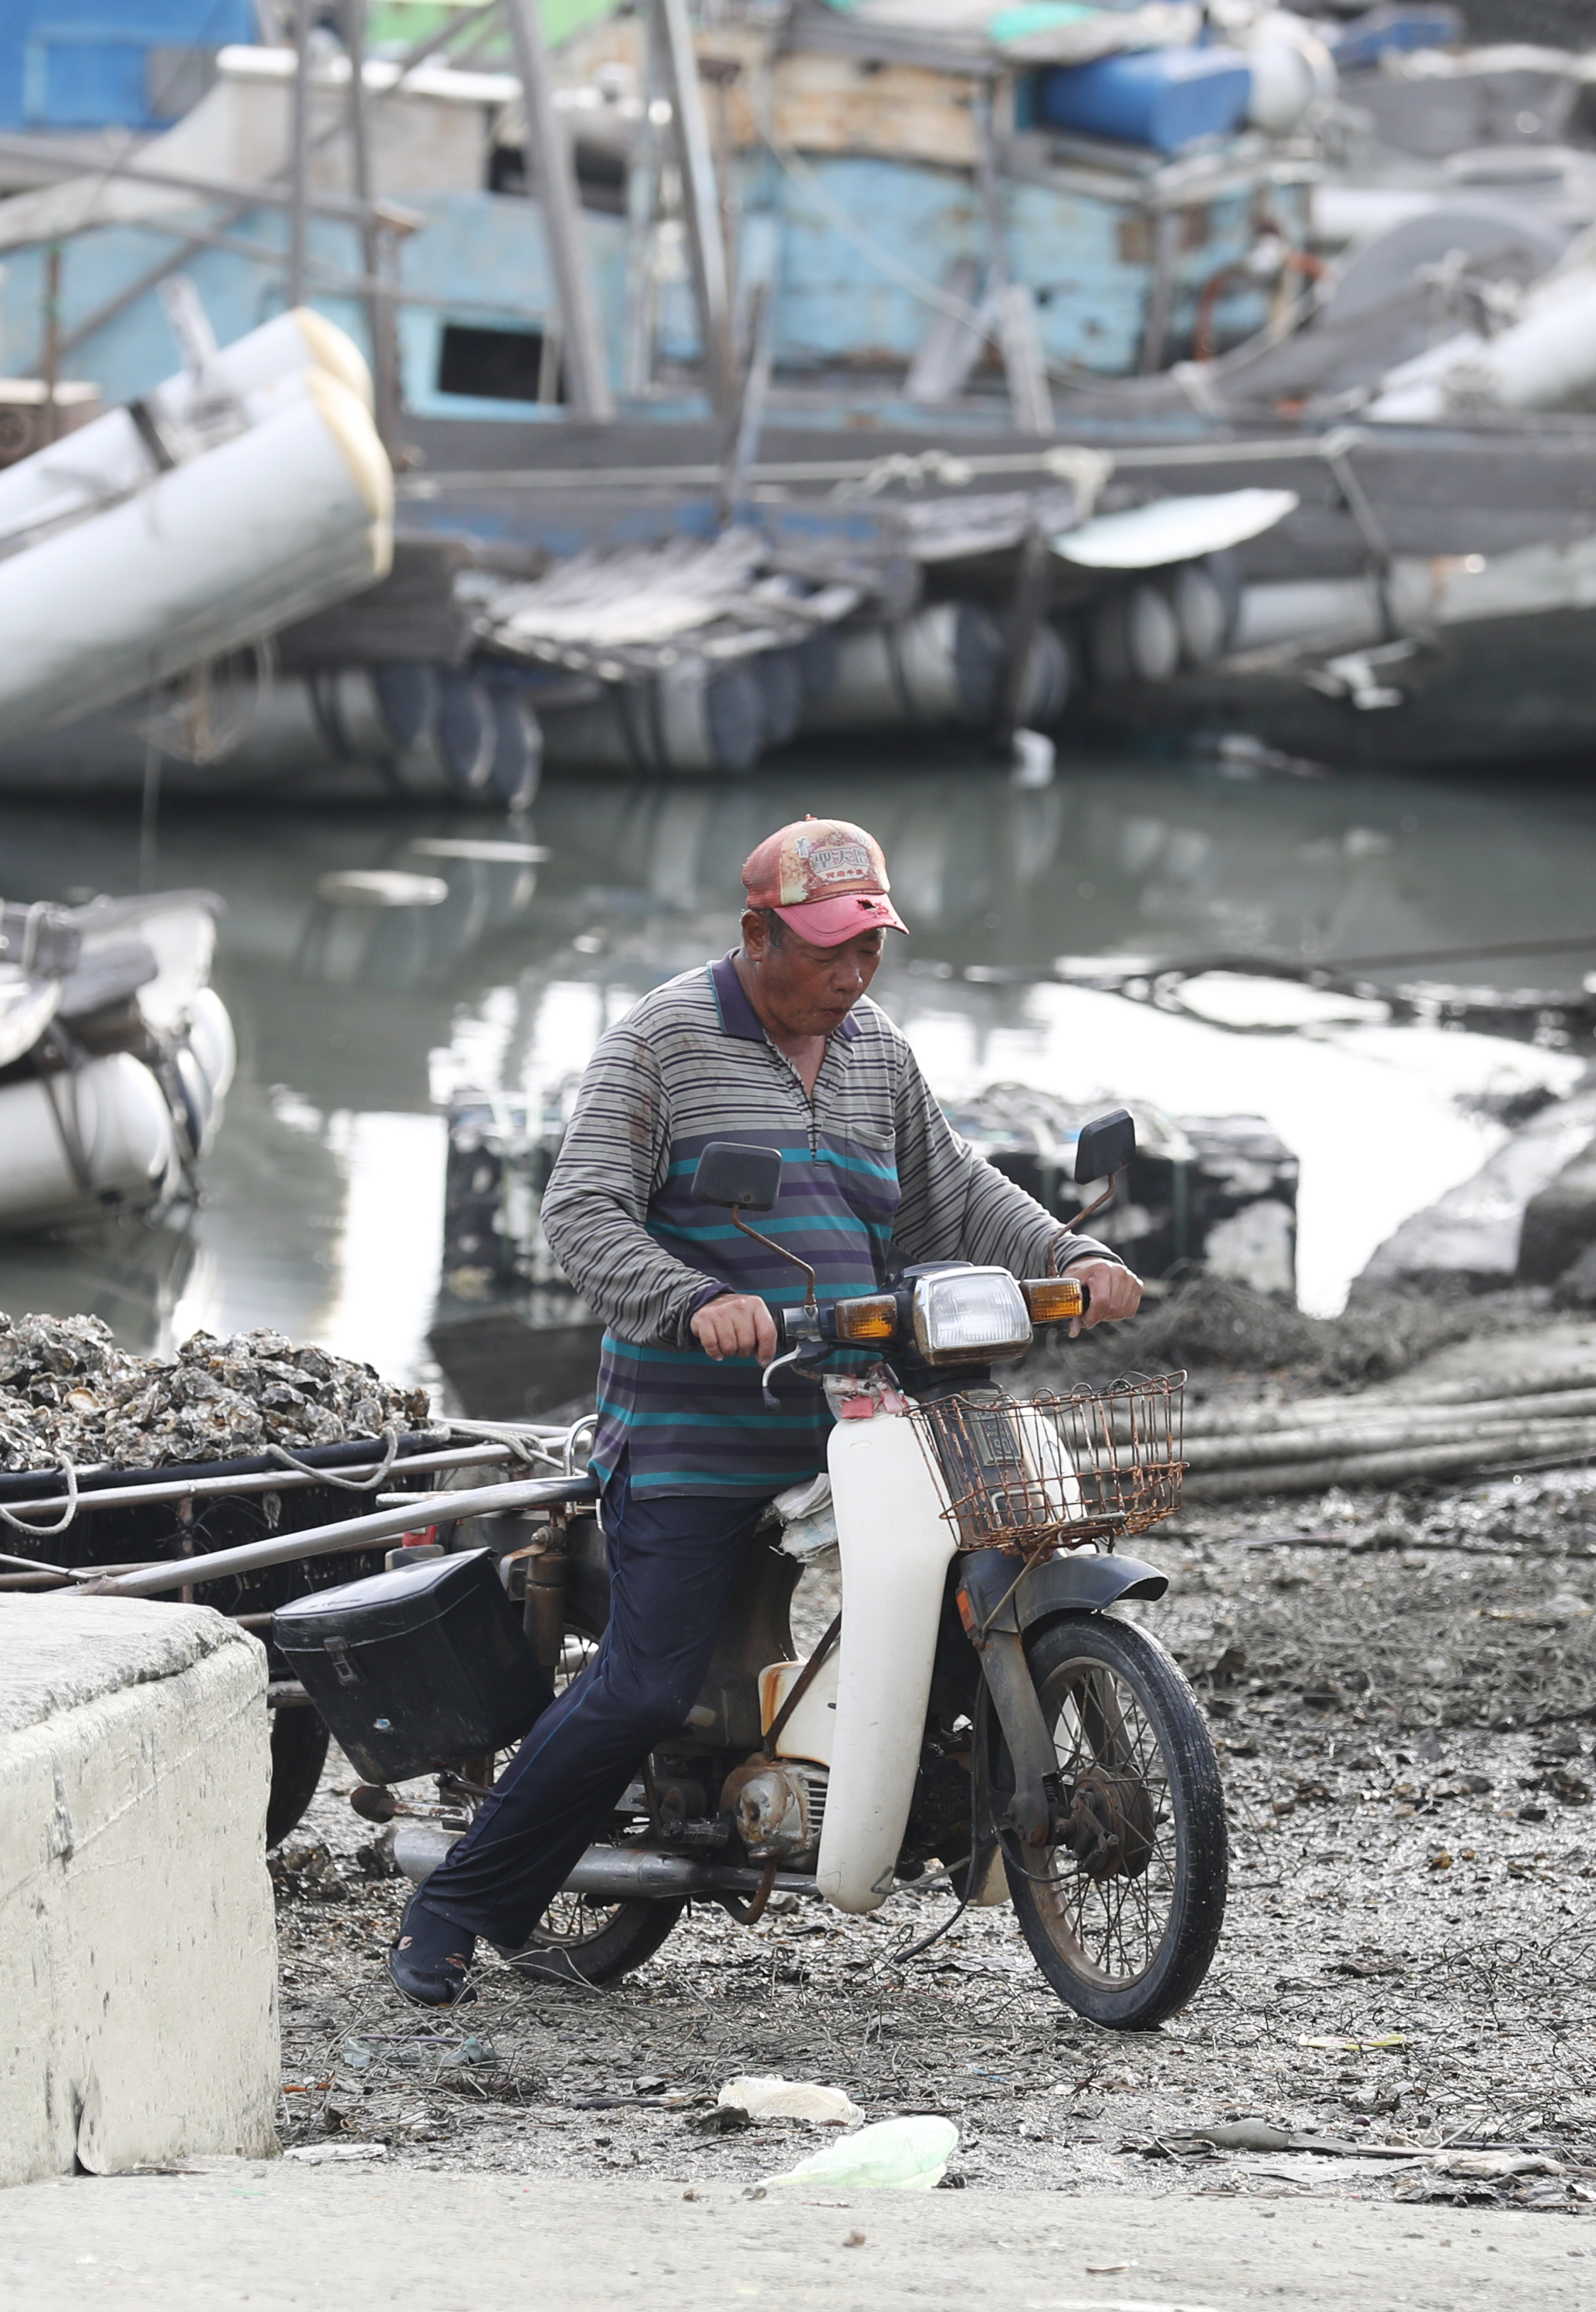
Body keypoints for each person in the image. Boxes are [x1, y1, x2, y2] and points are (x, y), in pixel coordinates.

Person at [389, 819, 1144, 2004]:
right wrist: (693, 1299)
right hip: (693, 1431)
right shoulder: (660, 1042)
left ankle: (915, 1787)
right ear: (757, 934)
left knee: (965, 1574)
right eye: (831, 950)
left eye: (870, 950)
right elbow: (582, 1213)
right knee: (645, 1682)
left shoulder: (873, 1051)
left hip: (852, 1411)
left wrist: (1068, 1248)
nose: (854, 975)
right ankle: (454, 1907)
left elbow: (954, 1189)